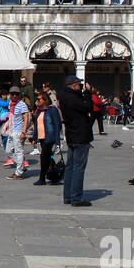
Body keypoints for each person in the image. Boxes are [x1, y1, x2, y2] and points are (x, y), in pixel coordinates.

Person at [54, 76, 94, 206]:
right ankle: (76, 197)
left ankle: (68, 196)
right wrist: (88, 93)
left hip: (71, 134)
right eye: (79, 85)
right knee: (78, 167)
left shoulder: (64, 96)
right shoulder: (73, 97)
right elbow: (88, 107)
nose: (81, 87)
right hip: (80, 134)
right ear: (73, 85)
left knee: (71, 167)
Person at [33, 92, 62, 187]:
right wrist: (34, 138)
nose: (37, 101)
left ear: (45, 100)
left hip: (49, 138)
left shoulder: (52, 109)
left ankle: (42, 178)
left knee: (44, 157)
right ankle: (54, 176)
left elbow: (57, 124)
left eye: (39, 99)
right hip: (41, 138)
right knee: (48, 158)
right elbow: (37, 125)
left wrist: (57, 140)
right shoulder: (39, 110)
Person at [2, 87, 30, 179]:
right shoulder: (11, 104)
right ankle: (21, 166)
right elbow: (11, 117)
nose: (14, 96)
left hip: (19, 131)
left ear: (19, 95)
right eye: (12, 94)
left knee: (19, 152)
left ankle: (18, 173)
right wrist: (6, 126)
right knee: (8, 151)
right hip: (12, 131)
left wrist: (23, 132)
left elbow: (26, 118)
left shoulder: (22, 105)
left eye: (16, 94)